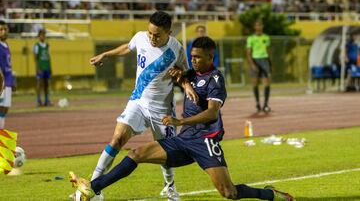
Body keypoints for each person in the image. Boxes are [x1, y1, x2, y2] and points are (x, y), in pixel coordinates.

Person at [69, 36, 295, 201]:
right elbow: (177, 73)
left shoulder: (216, 79)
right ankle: (92, 187)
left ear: (210, 57)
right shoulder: (190, 73)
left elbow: (212, 113)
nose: (193, 61)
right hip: (183, 140)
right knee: (136, 154)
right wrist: (182, 80)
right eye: (192, 57)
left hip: (205, 140)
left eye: (198, 58)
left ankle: (269, 194)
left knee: (229, 193)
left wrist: (180, 122)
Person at [79, 11, 198, 201]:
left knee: (165, 154)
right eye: (150, 33)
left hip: (162, 110)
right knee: (117, 139)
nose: (152, 38)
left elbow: (184, 73)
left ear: (169, 32)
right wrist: (106, 54)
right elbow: (128, 47)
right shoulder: (140, 38)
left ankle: (170, 187)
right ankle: (93, 186)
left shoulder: (176, 49)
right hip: (138, 101)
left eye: (157, 35)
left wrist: (187, 85)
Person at [246, 20, 272, 113]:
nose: (259, 27)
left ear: (262, 26)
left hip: (264, 60)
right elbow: (248, 53)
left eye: (260, 25)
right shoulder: (251, 38)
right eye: (257, 25)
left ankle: (265, 104)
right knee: (255, 83)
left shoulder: (266, 37)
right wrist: (252, 64)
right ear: (254, 27)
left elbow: (268, 51)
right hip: (255, 60)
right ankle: (257, 104)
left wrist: (270, 63)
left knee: (267, 83)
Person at [0, 20, 16, 130]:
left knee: (5, 109)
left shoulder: (6, 45)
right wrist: (2, 82)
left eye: (5, 29)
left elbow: (8, 65)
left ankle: (2, 140)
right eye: (1, 30)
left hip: (8, 80)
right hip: (2, 82)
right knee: (1, 108)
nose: (4, 32)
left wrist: (12, 81)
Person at [33, 29, 52, 106]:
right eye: (41, 35)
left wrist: (50, 67)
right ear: (39, 36)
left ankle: (47, 100)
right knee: (39, 84)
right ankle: (38, 100)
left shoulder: (47, 46)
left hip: (46, 67)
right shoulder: (36, 46)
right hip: (40, 67)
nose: (43, 36)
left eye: (44, 35)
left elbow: (48, 57)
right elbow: (35, 57)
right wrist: (37, 68)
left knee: (46, 84)